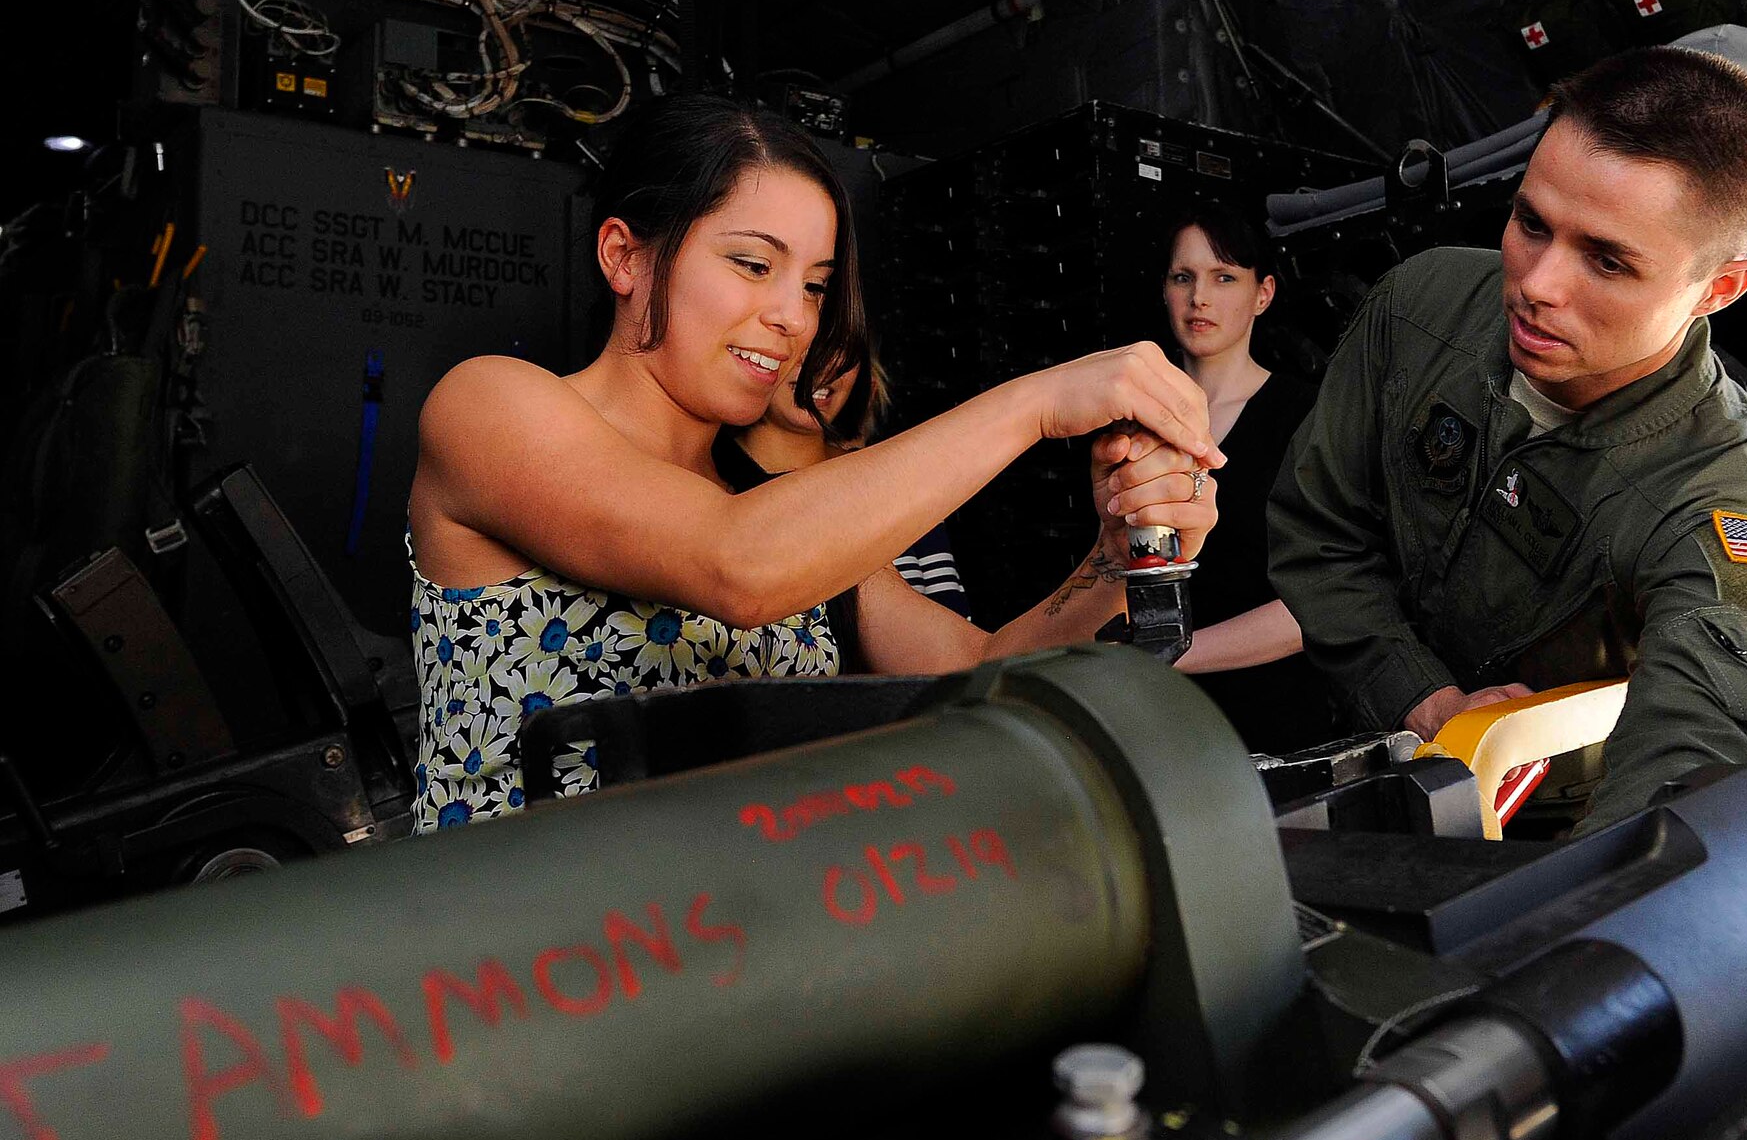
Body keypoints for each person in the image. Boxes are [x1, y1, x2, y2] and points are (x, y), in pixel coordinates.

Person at [407, 95, 1223, 832]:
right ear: (625, 257)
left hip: (733, 955)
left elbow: (982, 676)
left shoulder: (790, 512)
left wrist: (1118, 558)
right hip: (509, 963)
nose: (792, 318)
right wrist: (1036, 402)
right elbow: (736, 562)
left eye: (816, 286)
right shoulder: (487, 406)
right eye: (753, 265)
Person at [1268, 46, 1747, 834]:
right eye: (1531, 222)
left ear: (1719, 290)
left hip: (1538, 843)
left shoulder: (1715, 508)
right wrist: (1429, 700)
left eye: (1607, 260)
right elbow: (1318, 527)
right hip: (1338, 737)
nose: (1538, 284)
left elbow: (1728, 815)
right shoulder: (1423, 304)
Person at [1160, 203, 1328, 753]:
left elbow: (1329, 599)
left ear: (1264, 294)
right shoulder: (1131, 419)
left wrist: (1175, 654)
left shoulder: (1304, 417)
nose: (1199, 297)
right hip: (1154, 723)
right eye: (1183, 277)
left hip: (1268, 727)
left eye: (1224, 277)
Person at [718, 342, 971, 624]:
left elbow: (952, 637)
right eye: (805, 342)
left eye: (839, 340)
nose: (822, 363)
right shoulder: (707, 487)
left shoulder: (898, 479)